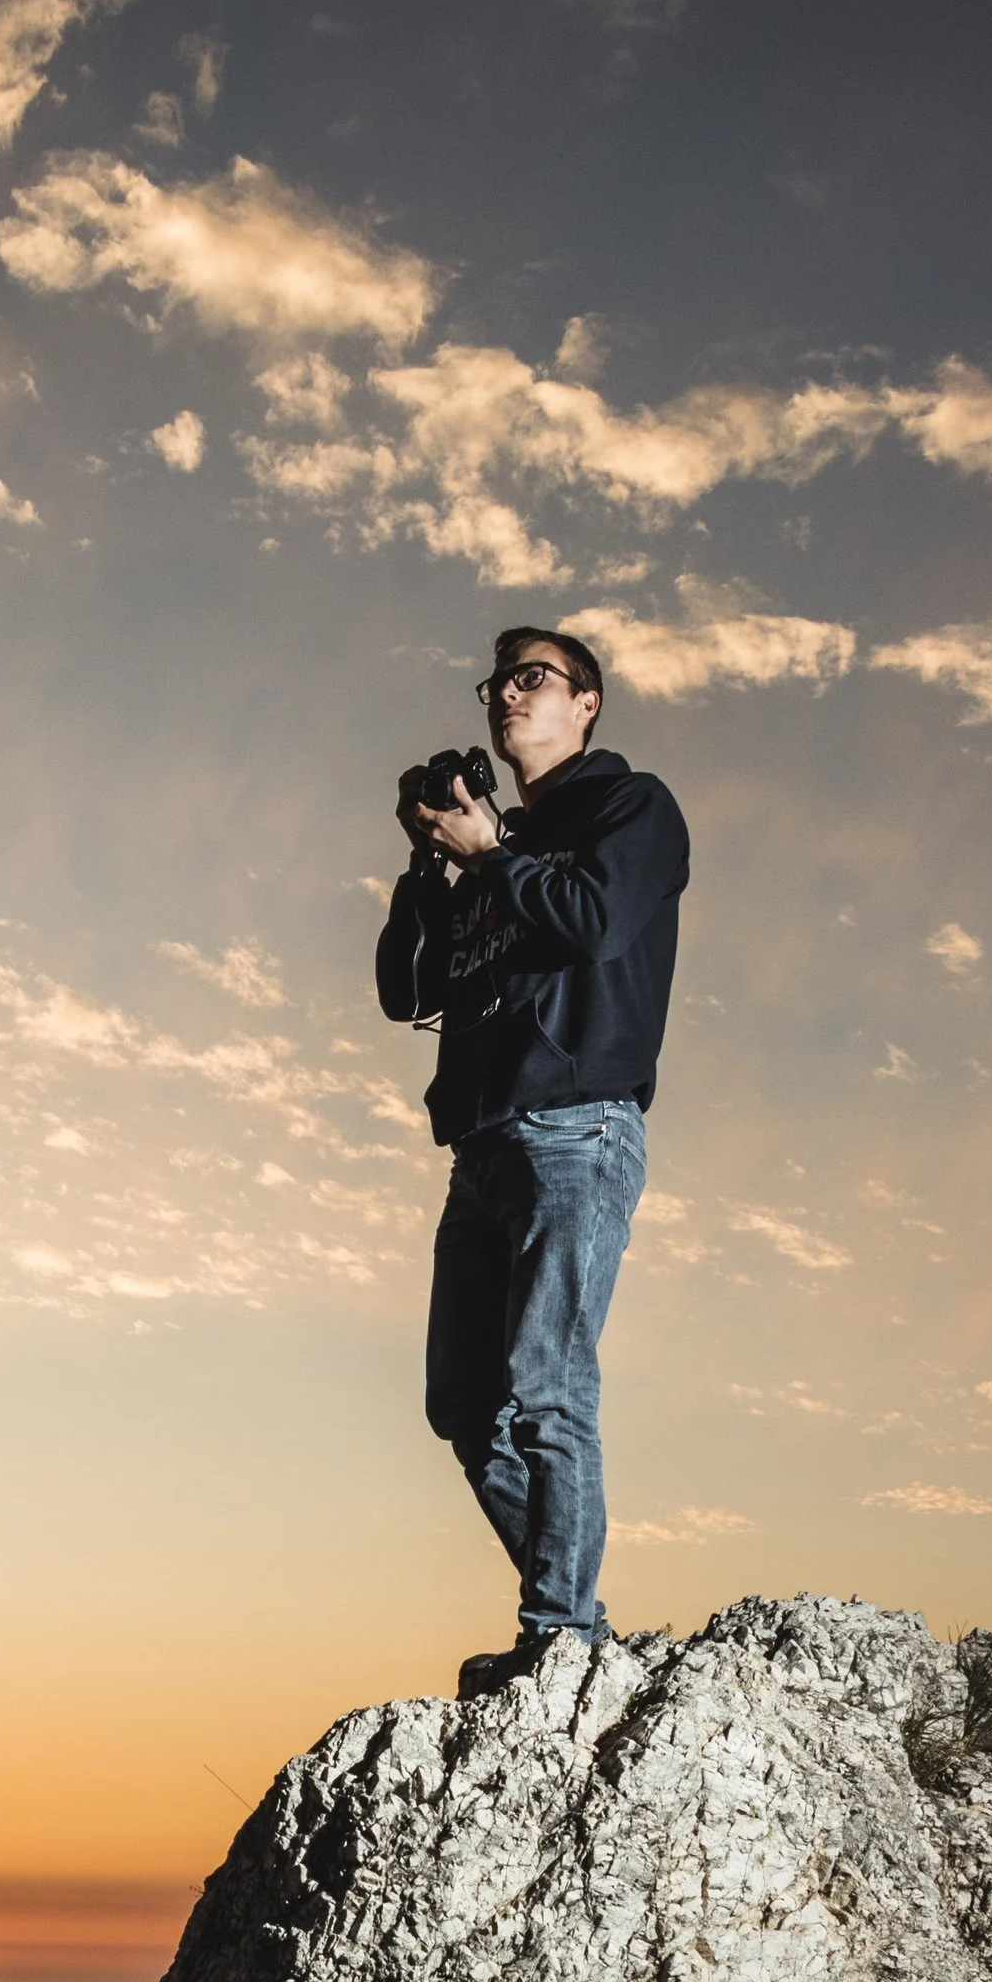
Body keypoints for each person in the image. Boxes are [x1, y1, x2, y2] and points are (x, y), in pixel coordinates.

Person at [376, 626, 687, 1700]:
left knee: (547, 1387)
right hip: (484, 1146)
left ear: (585, 704)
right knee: (464, 1402)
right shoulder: (487, 852)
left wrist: (493, 857)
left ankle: (559, 1636)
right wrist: (432, 859)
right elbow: (405, 989)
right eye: (497, 682)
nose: (507, 694)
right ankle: (576, 1624)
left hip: (576, 1126)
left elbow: (597, 922)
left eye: (533, 678)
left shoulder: (628, 808)